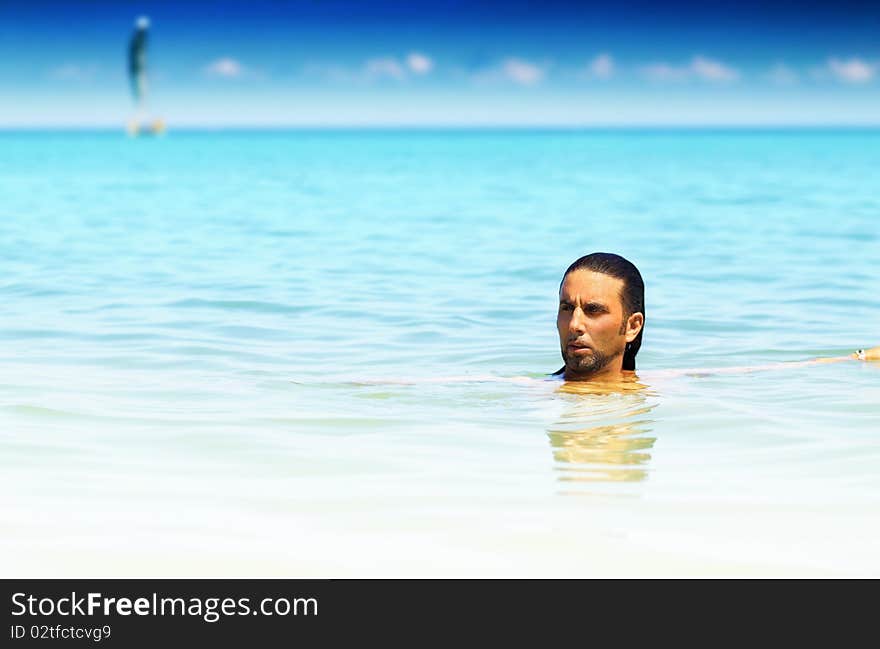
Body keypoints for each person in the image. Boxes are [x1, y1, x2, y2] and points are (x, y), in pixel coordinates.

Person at [553, 252, 878, 383]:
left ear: (633, 326)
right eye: (567, 308)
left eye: (593, 310)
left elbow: (771, 370)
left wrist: (859, 358)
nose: (575, 324)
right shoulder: (535, 392)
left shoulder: (659, 388)